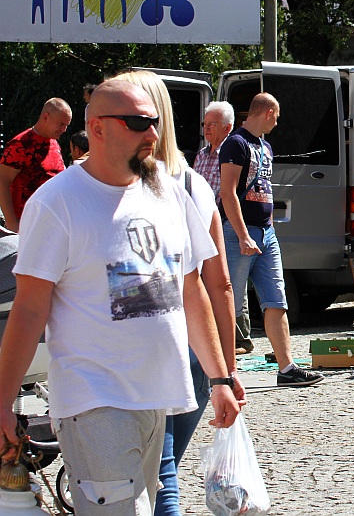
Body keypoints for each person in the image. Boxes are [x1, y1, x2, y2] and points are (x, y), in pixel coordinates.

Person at [0, 80, 240, 516]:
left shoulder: (168, 192)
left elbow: (191, 290)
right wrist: (1, 401)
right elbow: (29, 309)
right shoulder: (57, 203)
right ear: (97, 128)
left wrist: (220, 378)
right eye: (136, 123)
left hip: (157, 397)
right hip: (95, 401)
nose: (151, 134)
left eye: (154, 122)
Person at [113, 71, 246, 516]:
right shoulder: (194, 185)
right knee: (161, 467)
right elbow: (220, 285)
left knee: (159, 472)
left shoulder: (113, 182)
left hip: (139, 345)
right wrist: (225, 369)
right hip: (194, 351)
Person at [220, 93, 324, 387]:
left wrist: (267, 231)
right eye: (276, 116)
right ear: (266, 112)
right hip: (239, 232)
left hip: (266, 232)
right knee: (228, 303)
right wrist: (242, 234)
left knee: (277, 300)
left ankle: (287, 368)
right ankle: (224, 372)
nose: (277, 123)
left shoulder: (265, 145)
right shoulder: (235, 143)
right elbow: (227, 193)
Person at [194, 101, 254, 355]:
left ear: (228, 127)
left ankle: (239, 338)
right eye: (205, 124)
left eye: (213, 124)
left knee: (230, 281)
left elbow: (227, 192)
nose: (207, 128)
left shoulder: (232, 152)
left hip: (223, 220)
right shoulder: (201, 154)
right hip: (200, 221)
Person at [0, 98, 72, 232]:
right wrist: (12, 223)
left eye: (66, 125)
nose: (64, 129)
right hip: (26, 225)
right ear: (46, 117)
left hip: (51, 224)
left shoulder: (53, 142)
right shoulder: (21, 144)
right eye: (61, 124)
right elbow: (2, 182)